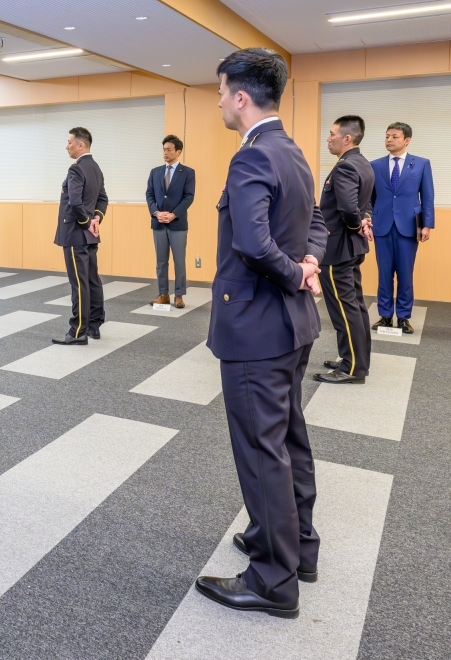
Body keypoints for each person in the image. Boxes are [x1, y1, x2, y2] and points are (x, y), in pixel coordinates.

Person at [197, 48, 327, 619]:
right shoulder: (291, 149)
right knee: (288, 438)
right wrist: (309, 263)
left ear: (242, 97)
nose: (219, 102)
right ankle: (297, 548)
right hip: (291, 325)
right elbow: (316, 221)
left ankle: (273, 580)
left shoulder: (251, 156)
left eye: (221, 92)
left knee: (261, 449)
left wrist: (296, 272)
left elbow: (251, 243)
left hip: (256, 327)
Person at [315, 116, 374, 385]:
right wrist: (364, 221)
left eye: (332, 134)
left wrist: (356, 224)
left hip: (338, 247)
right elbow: (366, 204)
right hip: (351, 247)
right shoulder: (362, 163)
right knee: (355, 306)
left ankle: (352, 368)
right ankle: (355, 358)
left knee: (344, 308)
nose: (328, 139)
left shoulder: (346, 167)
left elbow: (349, 208)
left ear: (347, 138)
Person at [367, 122, 435, 334]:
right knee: (384, 274)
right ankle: (385, 316)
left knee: (405, 274)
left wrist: (426, 225)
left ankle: (404, 317)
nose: (389, 139)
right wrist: (369, 219)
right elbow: (369, 198)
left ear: (407, 140)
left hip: (409, 227)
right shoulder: (375, 165)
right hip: (382, 226)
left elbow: (427, 196)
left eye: (394, 136)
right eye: (387, 136)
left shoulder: (421, 164)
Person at [52, 127, 108, 345]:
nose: (66, 146)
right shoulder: (96, 168)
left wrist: (85, 223)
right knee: (92, 280)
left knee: (79, 283)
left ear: (80, 145)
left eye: (69, 142)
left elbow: (74, 202)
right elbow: (102, 199)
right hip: (89, 235)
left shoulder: (76, 169)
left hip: (76, 234)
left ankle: (77, 332)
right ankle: (94, 326)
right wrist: (96, 219)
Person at [145, 134, 195, 309]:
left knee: (179, 261)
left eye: (169, 150)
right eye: (164, 149)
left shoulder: (188, 172)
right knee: (161, 262)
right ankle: (163, 294)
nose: (165, 153)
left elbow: (189, 197)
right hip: (158, 223)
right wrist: (156, 212)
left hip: (177, 224)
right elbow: (149, 195)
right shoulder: (155, 172)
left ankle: (179, 296)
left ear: (178, 152)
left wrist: (173, 214)